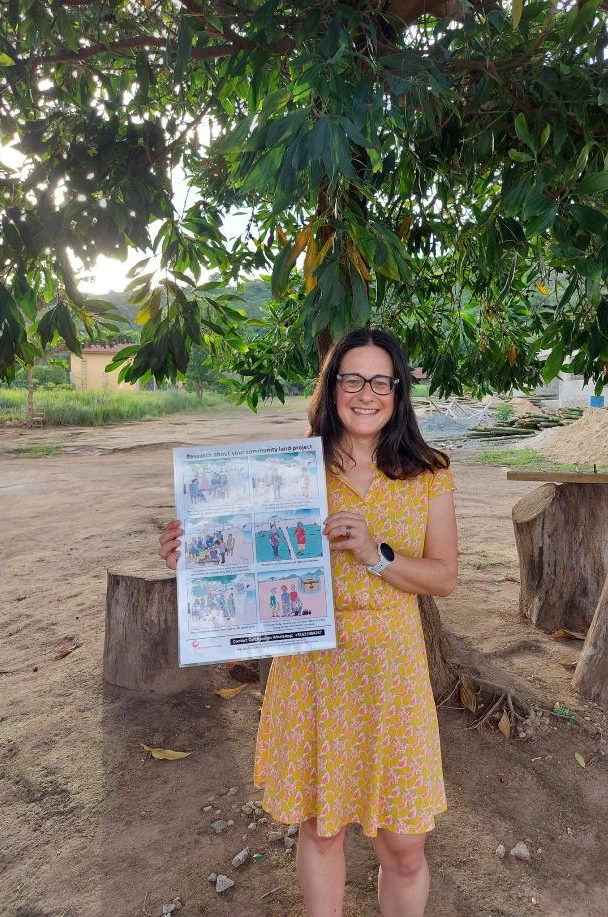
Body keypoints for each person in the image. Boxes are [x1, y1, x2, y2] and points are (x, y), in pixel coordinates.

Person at [159, 328, 458, 917]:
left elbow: (444, 576)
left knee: (403, 844)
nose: (365, 393)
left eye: (380, 381)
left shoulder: (428, 473)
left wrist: (379, 554)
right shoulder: (289, 471)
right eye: (352, 379)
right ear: (332, 388)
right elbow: (240, 544)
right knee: (321, 828)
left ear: (398, 391)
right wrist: (194, 551)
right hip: (312, 665)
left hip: (391, 675)